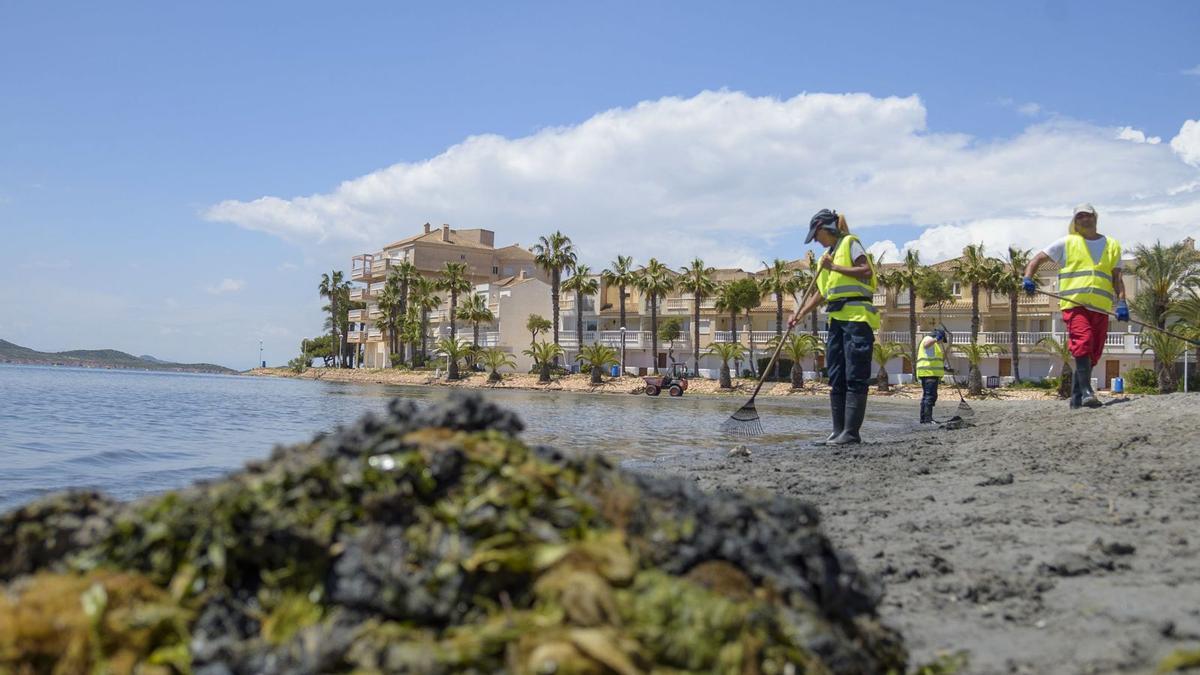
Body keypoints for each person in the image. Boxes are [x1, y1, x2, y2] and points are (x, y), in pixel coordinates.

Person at [1023, 203, 1127, 409]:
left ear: (1095, 218)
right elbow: (1037, 259)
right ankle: (1088, 392)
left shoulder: (1112, 245)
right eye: (1080, 216)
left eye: (1088, 215)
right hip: (1074, 304)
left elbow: (1117, 277)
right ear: (1075, 222)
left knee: (1094, 353)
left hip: (1101, 307)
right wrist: (1027, 277)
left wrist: (1122, 301)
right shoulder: (1067, 242)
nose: (1085, 219)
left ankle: (1076, 396)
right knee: (1083, 341)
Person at [789, 209, 879, 445]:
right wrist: (799, 314)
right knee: (836, 375)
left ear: (825, 229)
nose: (816, 241)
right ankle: (837, 431)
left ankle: (851, 433)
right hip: (836, 320)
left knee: (854, 375)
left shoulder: (850, 243)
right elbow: (822, 293)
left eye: (816, 235)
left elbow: (866, 271)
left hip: (858, 319)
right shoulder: (825, 258)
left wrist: (835, 268)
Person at [916, 328, 952, 424]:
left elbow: (934, 361)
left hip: (929, 373)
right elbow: (926, 344)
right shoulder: (928, 339)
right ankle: (928, 419)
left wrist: (945, 368)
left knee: (927, 396)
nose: (941, 342)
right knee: (930, 396)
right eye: (942, 340)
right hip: (929, 373)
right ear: (938, 336)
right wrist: (936, 339)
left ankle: (923, 419)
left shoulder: (934, 345)